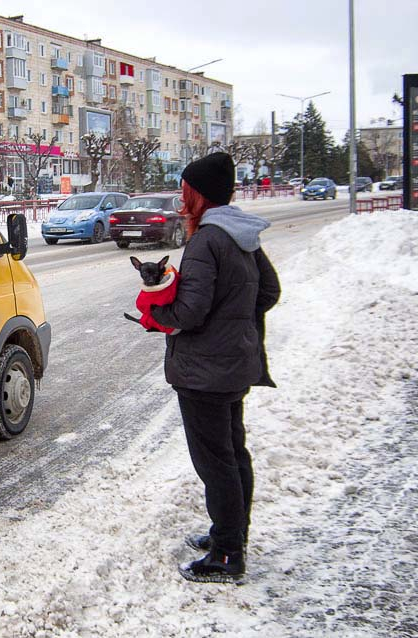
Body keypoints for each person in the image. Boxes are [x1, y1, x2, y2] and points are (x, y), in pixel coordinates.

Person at [147, 152, 280, 582]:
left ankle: (226, 555)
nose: (181, 197)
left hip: (205, 371)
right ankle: (231, 534)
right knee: (232, 452)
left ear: (197, 194)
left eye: (185, 189)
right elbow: (269, 291)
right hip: (234, 364)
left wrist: (156, 315)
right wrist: (234, 321)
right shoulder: (241, 233)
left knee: (215, 462)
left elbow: (191, 312)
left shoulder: (206, 239)